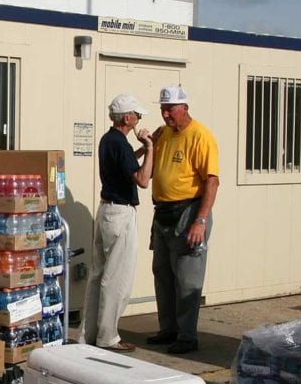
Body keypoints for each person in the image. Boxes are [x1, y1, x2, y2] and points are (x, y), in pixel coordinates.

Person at [147, 85, 219, 354]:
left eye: (170, 109)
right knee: (162, 273)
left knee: (187, 277)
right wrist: (148, 145)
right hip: (163, 212)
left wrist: (199, 221)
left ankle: (187, 335)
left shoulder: (200, 136)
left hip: (188, 212)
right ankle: (169, 330)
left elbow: (211, 181)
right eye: (163, 109)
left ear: (185, 108)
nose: (166, 114)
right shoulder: (164, 134)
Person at [80, 94, 154, 351]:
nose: (138, 120)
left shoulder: (108, 140)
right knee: (117, 278)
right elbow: (143, 179)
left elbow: (124, 164)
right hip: (121, 213)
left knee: (98, 274)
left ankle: (88, 333)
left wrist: (140, 150)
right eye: (137, 115)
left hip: (106, 211)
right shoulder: (120, 143)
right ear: (127, 117)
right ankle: (108, 336)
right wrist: (150, 148)